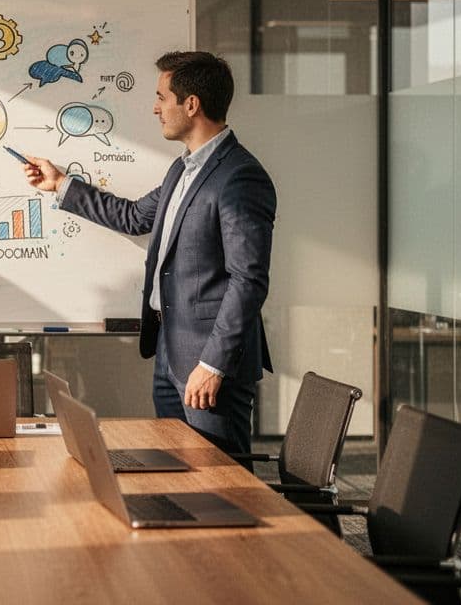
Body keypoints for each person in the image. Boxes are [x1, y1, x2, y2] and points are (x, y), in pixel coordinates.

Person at [23, 51, 275, 453]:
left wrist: (213, 365)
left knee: (222, 485)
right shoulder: (183, 169)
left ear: (191, 104)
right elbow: (134, 216)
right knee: (178, 475)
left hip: (210, 366)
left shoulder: (239, 177)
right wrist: (60, 184)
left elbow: (249, 281)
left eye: (162, 97)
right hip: (171, 355)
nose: (155, 108)